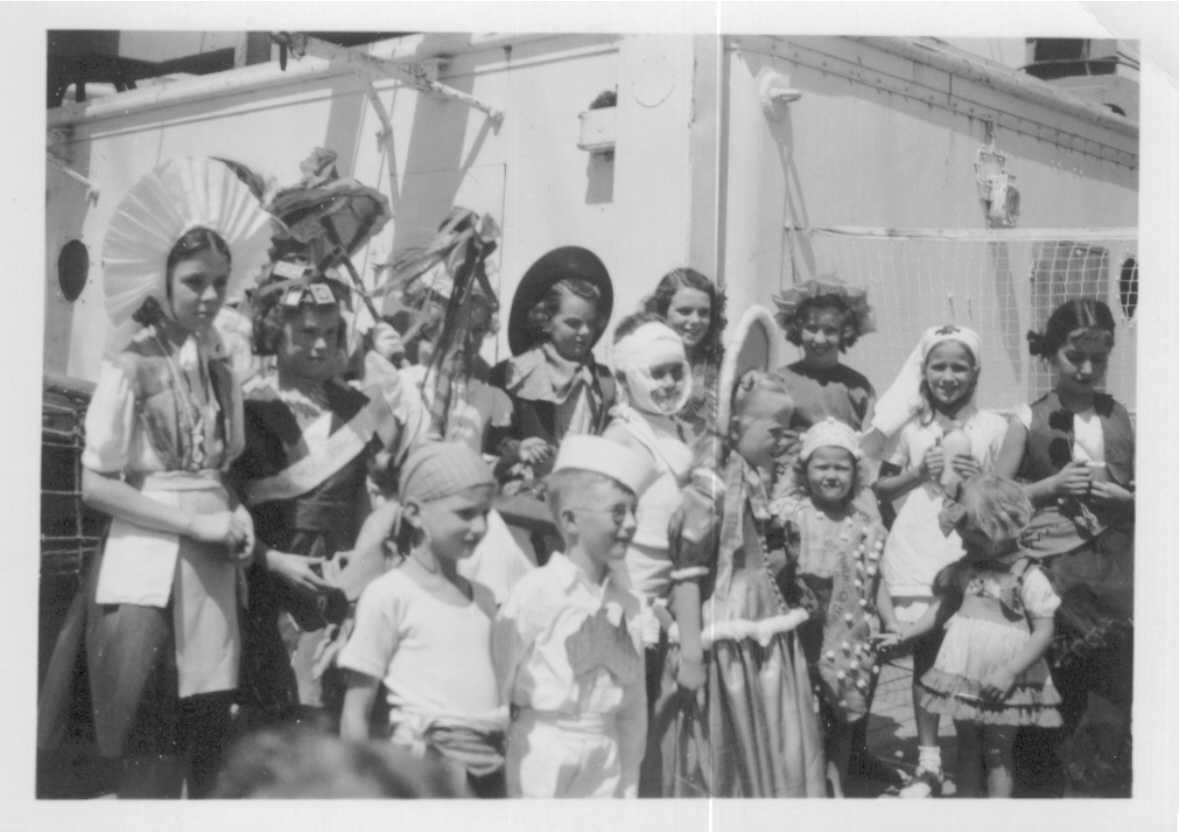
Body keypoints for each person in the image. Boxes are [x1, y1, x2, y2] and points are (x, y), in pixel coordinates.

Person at [37, 158, 273, 797]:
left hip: (213, 570)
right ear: (163, 278)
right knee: (149, 746)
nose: (209, 297)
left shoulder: (221, 365)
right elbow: (96, 484)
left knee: (208, 741)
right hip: (149, 567)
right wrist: (194, 522)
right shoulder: (132, 362)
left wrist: (237, 517)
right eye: (195, 282)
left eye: (220, 283)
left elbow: (223, 471)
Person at [229, 262, 433, 731]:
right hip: (270, 579)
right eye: (304, 333)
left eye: (328, 332)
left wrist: (360, 577)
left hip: (345, 579)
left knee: (332, 711)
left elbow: (383, 493)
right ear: (272, 333)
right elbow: (228, 504)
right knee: (271, 719)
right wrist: (271, 561)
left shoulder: (359, 407)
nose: (319, 345)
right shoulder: (248, 405)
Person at [994, 298, 1134, 797]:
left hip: (1117, 570)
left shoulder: (1121, 416)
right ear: (1051, 353)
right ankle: (1047, 794)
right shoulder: (1026, 420)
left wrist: (1127, 496)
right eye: (1076, 355)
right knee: (1054, 686)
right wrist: (1048, 487)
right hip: (1054, 571)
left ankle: (1104, 791)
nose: (1088, 368)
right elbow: (993, 500)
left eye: (1099, 357)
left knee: (1110, 690)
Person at [668, 370, 827, 797]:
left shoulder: (753, 479)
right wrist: (689, 655)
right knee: (731, 741)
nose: (783, 440)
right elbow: (687, 575)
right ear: (735, 427)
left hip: (763, 629)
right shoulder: (709, 490)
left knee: (776, 731)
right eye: (775, 431)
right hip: (726, 637)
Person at [868, 324, 1009, 798]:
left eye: (958, 366)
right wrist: (915, 472)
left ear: (975, 373)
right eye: (939, 366)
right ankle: (928, 760)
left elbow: (999, 496)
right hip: (918, 547)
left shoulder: (992, 425)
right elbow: (879, 488)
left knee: (970, 648)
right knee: (926, 653)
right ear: (923, 372)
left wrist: (978, 478)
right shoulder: (908, 426)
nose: (948, 376)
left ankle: (971, 753)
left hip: (967, 551)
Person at [337, 443, 509, 797]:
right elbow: (356, 711)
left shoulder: (486, 599)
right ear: (415, 513)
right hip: (422, 773)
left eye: (485, 514)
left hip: (488, 770)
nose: (479, 527)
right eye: (464, 513)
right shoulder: (390, 594)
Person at [491, 435, 654, 798]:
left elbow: (633, 705)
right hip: (541, 748)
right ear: (571, 519)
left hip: (605, 749)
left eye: (633, 511)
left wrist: (628, 782)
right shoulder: (537, 592)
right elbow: (500, 681)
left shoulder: (628, 605)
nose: (630, 524)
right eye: (617, 512)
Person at [889, 474, 1062, 798]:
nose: (965, 547)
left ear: (1002, 530)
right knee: (967, 746)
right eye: (963, 540)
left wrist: (1010, 672)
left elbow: (1043, 632)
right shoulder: (964, 570)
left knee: (998, 753)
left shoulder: (1028, 575)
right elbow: (940, 612)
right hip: (963, 676)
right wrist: (906, 635)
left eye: (974, 541)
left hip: (1004, 679)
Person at [599, 314, 695, 795]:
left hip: (670, 587)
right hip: (633, 593)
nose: (669, 383)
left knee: (656, 712)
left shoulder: (674, 429)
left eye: (676, 371)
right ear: (627, 379)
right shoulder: (624, 436)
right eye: (656, 374)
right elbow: (609, 521)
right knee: (628, 715)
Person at [776, 418, 888, 797]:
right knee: (800, 709)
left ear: (855, 473)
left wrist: (887, 620)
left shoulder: (865, 522)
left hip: (846, 626)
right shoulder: (792, 514)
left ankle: (835, 782)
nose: (831, 474)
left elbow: (875, 578)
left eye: (841, 467)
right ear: (804, 471)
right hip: (801, 625)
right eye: (822, 466)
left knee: (841, 712)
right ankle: (801, 782)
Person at [489, 247, 617, 482]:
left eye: (590, 323)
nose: (585, 332)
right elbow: (492, 438)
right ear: (546, 321)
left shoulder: (603, 381)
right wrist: (517, 448)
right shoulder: (513, 374)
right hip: (525, 495)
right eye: (573, 324)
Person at [641, 267, 727, 472]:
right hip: (656, 466)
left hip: (706, 469)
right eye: (685, 311)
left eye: (704, 313)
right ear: (662, 312)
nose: (695, 321)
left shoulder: (719, 363)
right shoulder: (642, 360)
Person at [770, 275, 877, 436]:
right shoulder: (780, 382)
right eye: (812, 328)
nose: (819, 339)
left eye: (830, 331)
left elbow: (870, 444)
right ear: (798, 328)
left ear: (845, 332)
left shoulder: (859, 387)